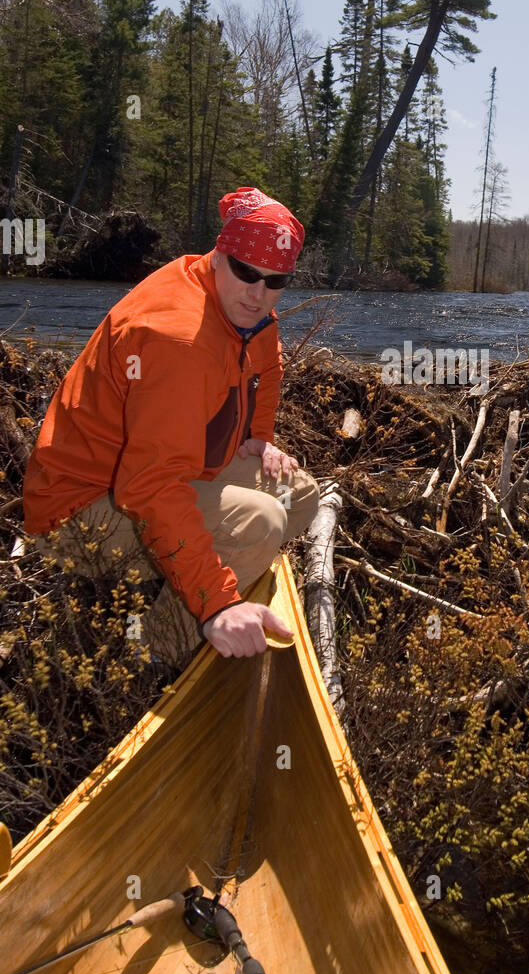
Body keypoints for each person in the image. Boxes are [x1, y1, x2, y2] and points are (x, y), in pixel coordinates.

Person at [21, 187, 319, 667]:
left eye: (275, 280)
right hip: (79, 510)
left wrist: (256, 438)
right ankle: (153, 658)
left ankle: (179, 575)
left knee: (297, 492)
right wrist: (218, 602)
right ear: (221, 254)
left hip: (151, 471)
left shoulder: (240, 304)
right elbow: (149, 485)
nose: (258, 292)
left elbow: (267, 363)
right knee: (261, 522)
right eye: (246, 271)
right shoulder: (177, 339)